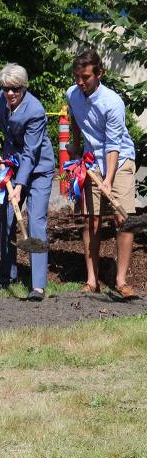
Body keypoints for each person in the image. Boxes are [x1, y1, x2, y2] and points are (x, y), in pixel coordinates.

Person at [65, 48, 139, 298]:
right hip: (90, 160)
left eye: (85, 77)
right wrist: (75, 143)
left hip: (120, 160)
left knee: (122, 219)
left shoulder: (112, 102)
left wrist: (108, 179)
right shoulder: (72, 94)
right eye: (77, 76)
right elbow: (74, 117)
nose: (80, 82)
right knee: (91, 220)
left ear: (100, 74)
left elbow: (113, 145)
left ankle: (120, 281)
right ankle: (92, 279)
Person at [0, 63, 55, 300]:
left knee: (36, 221)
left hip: (38, 168)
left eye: (15, 89)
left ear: (24, 87)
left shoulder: (35, 110)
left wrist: (18, 186)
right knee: (6, 219)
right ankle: (8, 275)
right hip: (11, 163)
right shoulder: (2, 96)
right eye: (6, 88)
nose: (10, 93)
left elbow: (30, 153)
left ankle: (38, 285)